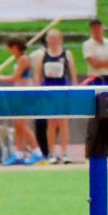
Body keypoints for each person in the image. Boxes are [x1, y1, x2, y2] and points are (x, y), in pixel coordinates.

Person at [35, 28, 77, 164]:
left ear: (60, 40)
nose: (52, 41)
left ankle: (64, 152)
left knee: (63, 122)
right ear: (47, 40)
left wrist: (74, 90)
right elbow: (38, 74)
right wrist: (38, 91)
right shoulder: (43, 55)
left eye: (55, 38)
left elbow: (72, 74)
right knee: (51, 122)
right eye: (50, 38)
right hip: (48, 91)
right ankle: (51, 152)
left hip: (62, 89)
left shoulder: (67, 54)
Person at [4, 36, 42, 163]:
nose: (8, 51)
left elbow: (14, 77)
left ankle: (37, 152)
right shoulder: (19, 59)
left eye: (9, 48)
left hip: (26, 93)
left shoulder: (24, 59)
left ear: (14, 47)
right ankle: (19, 154)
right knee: (17, 124)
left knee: (22, 124)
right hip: (19, 93)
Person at [82, 18, 108, 86]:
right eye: (94, 28)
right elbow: (94, 64)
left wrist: (100, 62)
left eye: (99, 27)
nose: (97, 30)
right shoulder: (87, 44)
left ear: (103, 28)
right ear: (91, 30)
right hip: (95, 78)